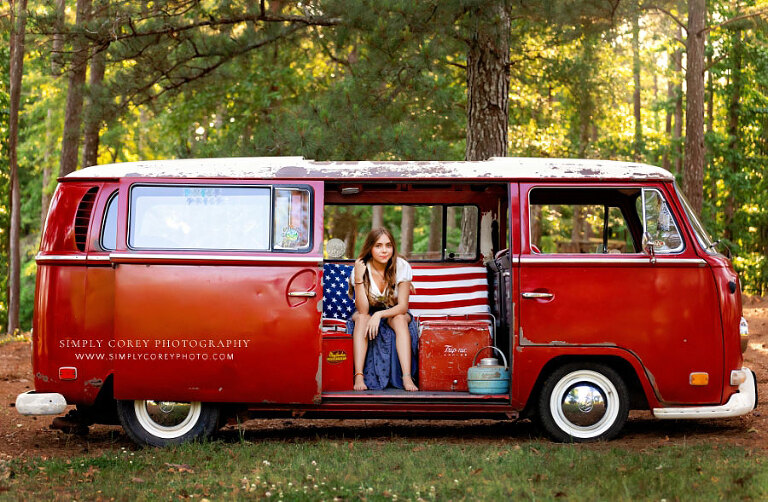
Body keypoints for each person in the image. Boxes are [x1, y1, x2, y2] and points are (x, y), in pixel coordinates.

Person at [349, 228, 419, 392]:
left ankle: (407, 376)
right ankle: (359, 375)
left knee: (400, 319)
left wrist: (379, 315)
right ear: (370, 248)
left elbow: (403, 306)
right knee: (362, 318)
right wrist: (359, 279)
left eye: (388, 245)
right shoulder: (360, 268)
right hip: (368, 310)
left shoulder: (401, 266)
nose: (384, 250)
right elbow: (363, 309)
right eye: (378, 246)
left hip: (394, 310)